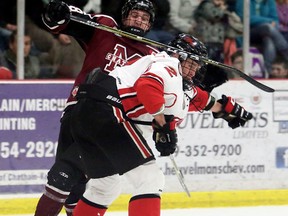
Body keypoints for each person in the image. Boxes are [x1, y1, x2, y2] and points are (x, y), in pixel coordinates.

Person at [69, 33, 253, 215]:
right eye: (190, 63)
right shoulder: (167, 65)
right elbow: (147, 85)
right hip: (107, 114)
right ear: (177, 55)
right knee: (150, 179)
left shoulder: (172, 76)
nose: (192, 70)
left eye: (196, 66)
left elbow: (200, 99)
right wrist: (162, 122)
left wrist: (227, 110)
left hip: (85, 115)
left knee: (104, 187)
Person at [34, 0, 158, 215]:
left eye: (144, 18)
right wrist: (61, 13)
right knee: (72, 188)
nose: (139, 20)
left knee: (62, 176)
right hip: (76, 110)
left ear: (150, 25)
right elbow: (67, 23)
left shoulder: (152, 57)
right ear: (124, 16)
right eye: (135, 14)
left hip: (108, 121)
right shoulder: (106, 27)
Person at [235, 0, 288, 73]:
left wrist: (268, 22)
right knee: (268, 27)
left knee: (268, 39)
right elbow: (246, 18)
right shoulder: (243, 1)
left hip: (265, 33)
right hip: (247, 32)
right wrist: (268, 21)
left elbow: (276, 21)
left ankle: (268, 71)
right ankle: (285, 50)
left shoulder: (270, 1)